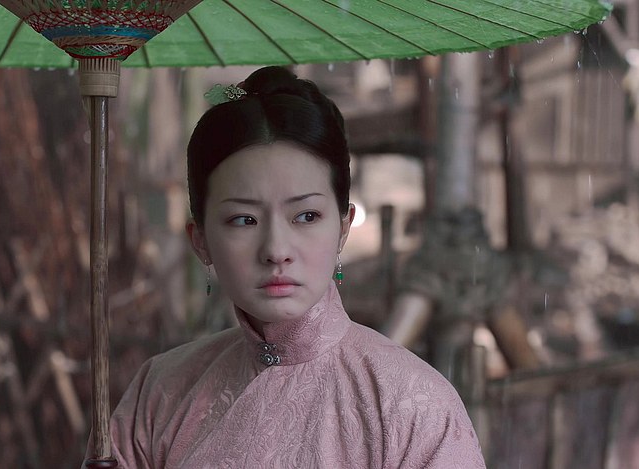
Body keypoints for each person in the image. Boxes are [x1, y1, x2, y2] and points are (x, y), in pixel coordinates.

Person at [90, 66, 486, 468]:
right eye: (244, 219)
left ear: (343, 227)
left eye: (306, 216)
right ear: (201, 239)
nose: (276, 250)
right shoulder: (159, 393)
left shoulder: (414, 407)